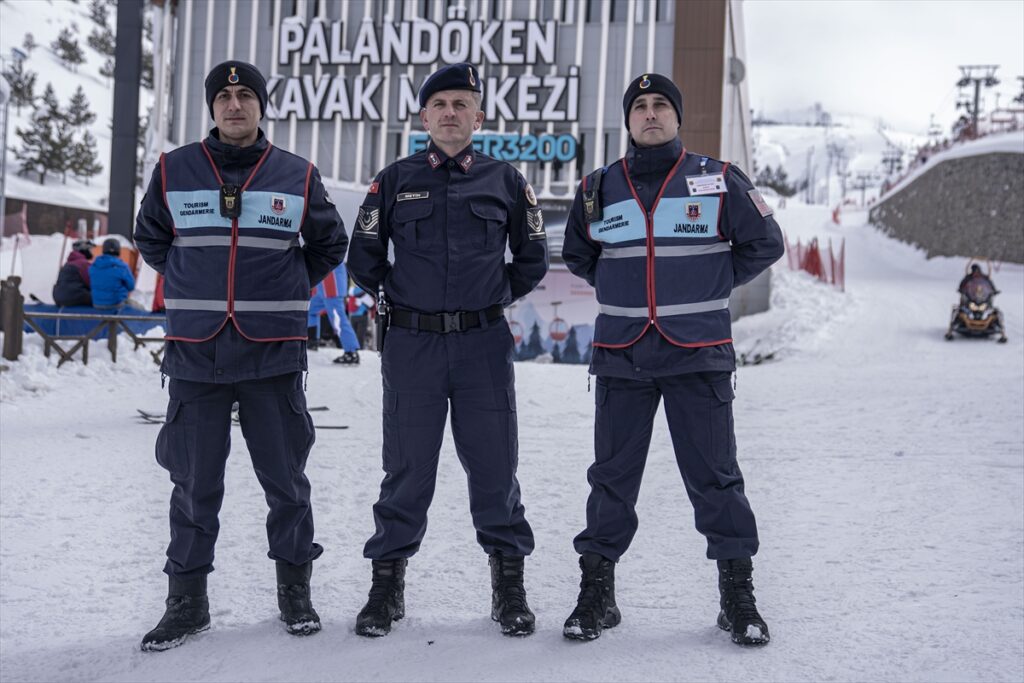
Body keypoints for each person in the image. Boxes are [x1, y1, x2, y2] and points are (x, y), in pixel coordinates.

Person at [561, 73, 784, 646]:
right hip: (622, 354)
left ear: (678, 117)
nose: (651, 114)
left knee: (716, 479)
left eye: (661, 105)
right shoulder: (597, 188)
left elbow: (766, 242)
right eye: (640, 106)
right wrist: (632, 292)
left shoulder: (718, 180)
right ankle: (597, 594)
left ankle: (737, 598)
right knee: (611, 481)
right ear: (629, 120)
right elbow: (581, 256)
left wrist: (712, 281)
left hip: (698, 355)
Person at [133, 60, 348, 651]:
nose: (234, 104)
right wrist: (189, 279)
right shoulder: (173, 169)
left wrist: (284, 286)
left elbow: (330, 242)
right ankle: (187, 602)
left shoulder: (297, 174)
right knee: (194, 481)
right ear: (212, 106)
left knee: (286, 480)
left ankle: (295, 592)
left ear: (261, 106)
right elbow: (151, 236)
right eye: (224, 95)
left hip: (272, 355)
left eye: (245, 95)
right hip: (195, 354)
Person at [347, 62, 549, 638]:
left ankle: (509, 584)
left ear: (478, 116)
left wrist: (491, 298)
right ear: (423, 116)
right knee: (407, 469)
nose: (451, 113)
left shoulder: (507, 181)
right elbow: (364, 257)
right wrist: (405, 300)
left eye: (462, 104)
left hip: (483, 345)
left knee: (494, 468)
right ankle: (386, 585)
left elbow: (531, 257)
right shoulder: (391, 181)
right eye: (440, 104)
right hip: (412, 347)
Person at [306, 262, 361, 364]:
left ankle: (351, 352)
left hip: (332, 285)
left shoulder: (334, 251)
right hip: (322, 286)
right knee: (311, 310)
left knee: (338, 318)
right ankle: (312, 341)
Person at [89, 238, 142, 309]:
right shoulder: (122, 266)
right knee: (140, 307)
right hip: (117, 304)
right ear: (118, 250)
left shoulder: (94, 265)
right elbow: (131, 286)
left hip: (97, 304)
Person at [52, 238, 94, 307]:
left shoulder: (68, 264)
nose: (91, 252)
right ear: (84, 250)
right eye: (90, 249)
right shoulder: (83, 264)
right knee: (99, 298)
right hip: (75, 296)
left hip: (58, 297)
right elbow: (91, 282)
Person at [347, 284, 375, 350]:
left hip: (352, 316)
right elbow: (371, 304)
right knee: (360, 336)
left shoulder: (352, 290)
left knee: (353, 334)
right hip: (362, 317)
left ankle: (351, 348)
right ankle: (359, 350)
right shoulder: (364, 291)